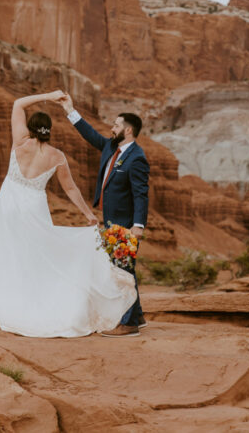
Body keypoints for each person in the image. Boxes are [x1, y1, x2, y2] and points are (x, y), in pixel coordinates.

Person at [0, 91, 137, 338]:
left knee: (11, 253)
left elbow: (18, 103)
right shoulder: (57, 156)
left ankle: (11, 306)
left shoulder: (19, 142)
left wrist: (49, 96)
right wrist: (88, 214)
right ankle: (40, 303)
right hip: (34, 206)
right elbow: (71, 189)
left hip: (8, 203)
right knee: (38, 254)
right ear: (49, 130)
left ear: (30, 128)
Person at [58, 93, 148, 337]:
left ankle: (128, 324)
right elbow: (91, 135)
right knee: (122, 267)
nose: (112, 128)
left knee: (123, 270)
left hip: (126, 223)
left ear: (128, 130)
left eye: (116, 125)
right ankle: (136, 316)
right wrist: (70, 110)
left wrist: (138, 225)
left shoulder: (137, 158)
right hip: (111, 220)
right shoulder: (111, 147)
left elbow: (141, 194)